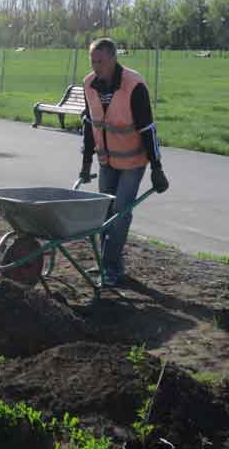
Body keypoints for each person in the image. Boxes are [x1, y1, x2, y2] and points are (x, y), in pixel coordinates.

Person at [78, 38, 169, 286]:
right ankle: (108, 264)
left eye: (101, 61)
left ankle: (110, 267)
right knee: (104, 212)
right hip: (106, 160)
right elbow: (89, 125)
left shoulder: (133, 85)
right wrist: (87, 163)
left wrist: (157, 168)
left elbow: (148, 129)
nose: (96, 67)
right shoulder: (89, 84)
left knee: (120, 213)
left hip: (133, 161)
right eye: (93, 61)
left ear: (113, 59)